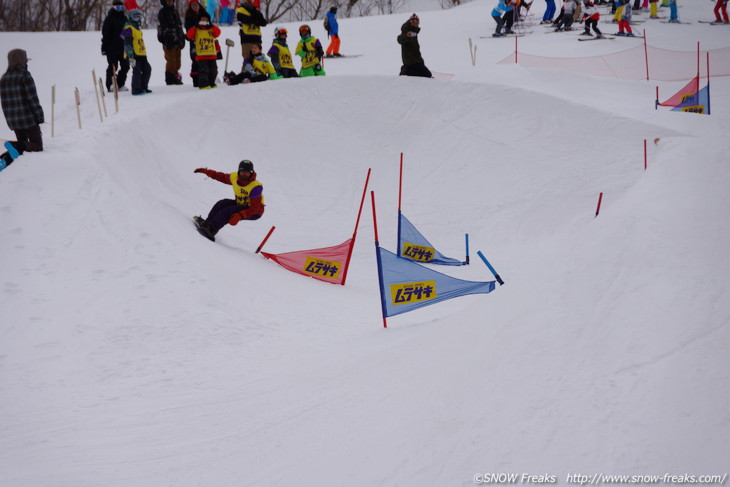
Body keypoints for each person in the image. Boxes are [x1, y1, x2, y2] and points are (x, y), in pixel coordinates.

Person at [193, 160, 264, 241]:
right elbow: (221, 177)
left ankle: (212, 229)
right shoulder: (234, 177)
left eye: (248, 172)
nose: (245, 174)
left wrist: (240, 215)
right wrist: (207, 172)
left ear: (251, 173)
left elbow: (254, 208)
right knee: (222, 203)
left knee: (229, 211)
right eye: (243, 171)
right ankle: (207, 224)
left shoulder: (255, 187)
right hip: (241, 204)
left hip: (255, 211)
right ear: (239, 171)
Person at [0, 49, 44, 155]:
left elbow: (4, 103)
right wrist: (39, 118)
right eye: (26, 61)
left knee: (22, 150)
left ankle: (9, 155)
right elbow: (33, 99)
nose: (26, 63)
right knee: (37, 146)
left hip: (14, 121)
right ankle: (15, 145)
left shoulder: (3, 78)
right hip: (29, 120)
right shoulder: (25, 75)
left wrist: (10, 120)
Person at [186, 12, 221, 89]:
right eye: (202, 19)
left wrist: (212, 26)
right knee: (204, 71)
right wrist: (195, 27)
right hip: (201, 55)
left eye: (206, 19)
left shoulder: (211, 29)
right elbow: (189, 35)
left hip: (211, 54)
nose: (204, 20)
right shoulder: (196, 29)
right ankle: (203, 84)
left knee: (214, 70)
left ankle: (211, 83)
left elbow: (218, 33)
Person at [101, 0, 130, 92]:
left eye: (121, 7)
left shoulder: (125, 18)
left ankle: (120, 84)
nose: (119, 9)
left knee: (126, 65)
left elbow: (128, 31)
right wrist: (105, 46)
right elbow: (105, 33)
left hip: (123, 47)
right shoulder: (109, 18)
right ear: (113, 7)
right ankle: (110, 85)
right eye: (117, 7)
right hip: (112, 47)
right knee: (113, 66)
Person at [122, 9, 152, 95]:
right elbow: (127, 43)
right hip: (133, 55)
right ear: (130, 18)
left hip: (141, 54)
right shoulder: (128, 28)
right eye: (135, 17)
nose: (137, 19)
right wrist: (130, 55)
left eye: (139, 17)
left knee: (147, 69)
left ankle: (143, 87)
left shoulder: (137, 28)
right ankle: (136, 89)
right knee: (137, 71)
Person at [157, 0, 186, 85]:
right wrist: (165, 39)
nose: (170, 2)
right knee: (171, 61)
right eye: (168, 1)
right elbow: (163, 28)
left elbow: (179, 26)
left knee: (178, 62)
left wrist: (182, 38)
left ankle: (175, 75)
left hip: (177, 40)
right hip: (168, 41)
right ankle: (170, 78)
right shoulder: (162, 12)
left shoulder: (175, 11)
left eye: (171, 0)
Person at [184, 0, 205, 87]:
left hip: (204, 41)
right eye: (193, 5)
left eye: (196, 5)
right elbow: (188, 31)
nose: (195, 7)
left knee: (205, 60)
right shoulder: (189, 17)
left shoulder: (204, 14)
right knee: (195, 60)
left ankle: (205, 77)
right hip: (194, 42)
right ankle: (196, 80)